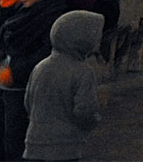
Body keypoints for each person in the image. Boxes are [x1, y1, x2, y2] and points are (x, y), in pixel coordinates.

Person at [0, 0, 70, 161]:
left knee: (17, 139)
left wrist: (15, 72)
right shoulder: (26, 10)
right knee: (1, 133)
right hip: (9, 82)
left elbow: (49, 52)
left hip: (27, 85)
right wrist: (5, 7)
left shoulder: (54, 14)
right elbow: (7, 31)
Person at [23, 10, 104, 161]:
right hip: (65, 147)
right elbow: (85, 111)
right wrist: (93, 122)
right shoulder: (83, 71)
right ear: (82, 39)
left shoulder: (40, 67)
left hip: (34, 144)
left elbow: (28, 102)